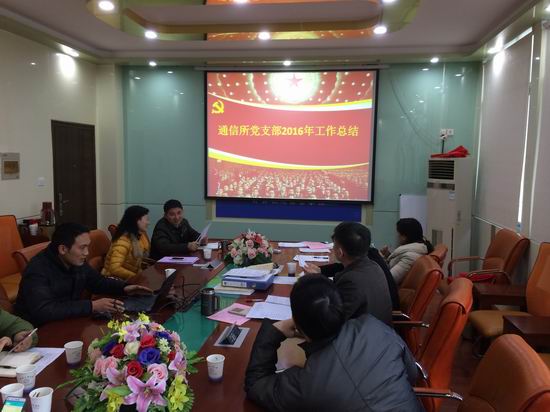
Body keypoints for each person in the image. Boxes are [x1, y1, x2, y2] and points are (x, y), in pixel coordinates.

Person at [245, 275, 423, 412]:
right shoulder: (373, 325)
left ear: (298, 324)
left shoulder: (308, 384)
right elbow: (412, 373)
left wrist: (276, 331)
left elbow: (256, 384)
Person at [15, 223, 153, 327]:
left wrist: (124, 288)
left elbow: (97, 282)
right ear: (63, 249)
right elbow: (44, 311)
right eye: (82, 247)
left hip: (67, 323)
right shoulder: (37, 270)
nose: (87, 253)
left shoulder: (74, 260)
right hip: (38, 332)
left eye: (87, 246)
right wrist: (92, 306)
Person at [303, 222, 393, 325]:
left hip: (362, 333)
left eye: (334, 245)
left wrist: (315, 282)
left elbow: (330, 321)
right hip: (376, 330)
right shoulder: (374, 266)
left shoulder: (351, 280)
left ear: (340, 252)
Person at [102, 206, 151, 280]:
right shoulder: (123, 241)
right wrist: (136, 277)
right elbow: (114, 268)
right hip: (113, 280)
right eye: (146, 219)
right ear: (137, 220)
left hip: (127, 277)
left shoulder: (137, 237)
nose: (148, 223)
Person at [381, 218, 434, 285]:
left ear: (404, 237)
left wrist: (379, 258)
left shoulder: (410, 257)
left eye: (398, 234)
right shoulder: (417, 249)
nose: (397, 236)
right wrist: (387, 255)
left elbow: (388, 280)